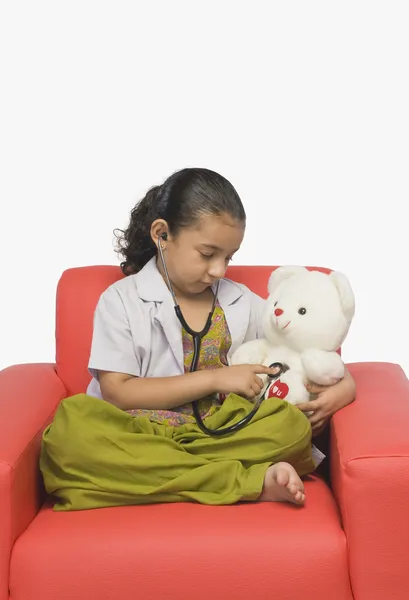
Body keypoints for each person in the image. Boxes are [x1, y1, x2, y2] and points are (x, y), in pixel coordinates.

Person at [40, 167, 356, 511]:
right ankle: (248, 480)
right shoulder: (121, 300)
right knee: (69, 435)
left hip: (221, 432)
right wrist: (216, 378)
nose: (219, 270)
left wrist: (345, 385)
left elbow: (302, 346)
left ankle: (163, 477)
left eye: (228, 257)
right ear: (162, 235)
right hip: (136, 432)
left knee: (291, 427)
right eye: (207, 254)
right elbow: (117, 391)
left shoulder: (241, 301)